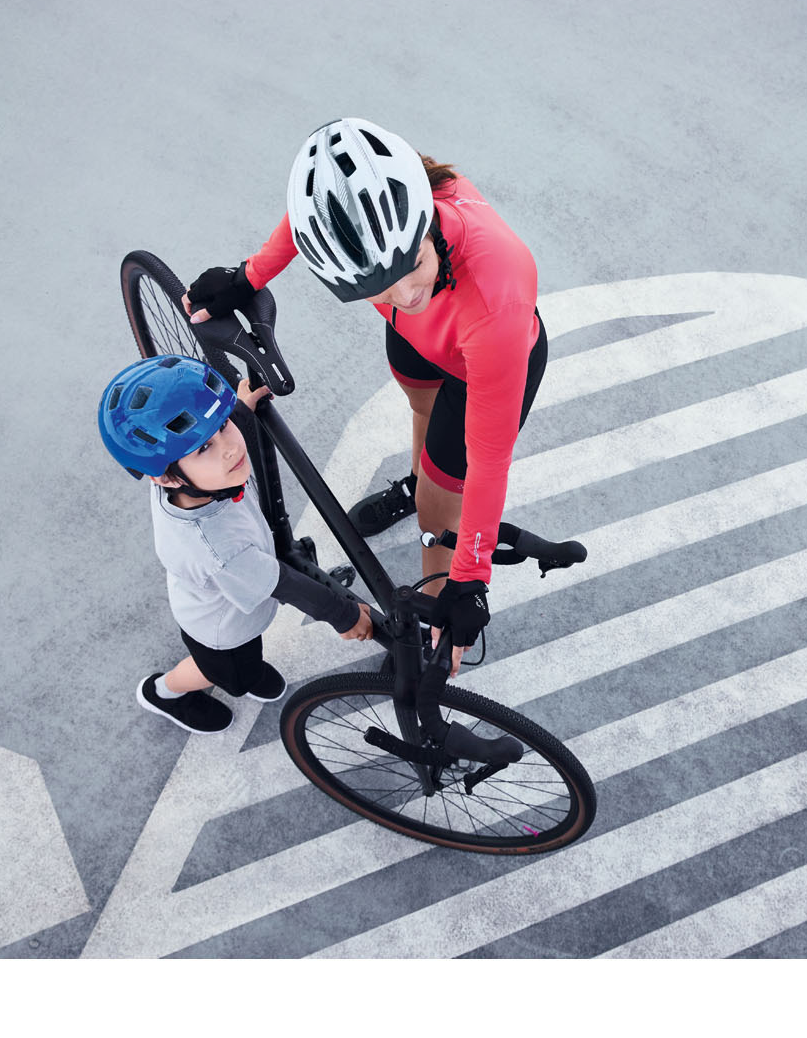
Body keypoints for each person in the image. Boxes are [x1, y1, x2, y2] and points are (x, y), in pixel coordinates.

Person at [185, 117, 546, 674]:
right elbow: (317, 217)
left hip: (485, 356)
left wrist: (470, 580)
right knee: (421, 413)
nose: (408, 292)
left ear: (426, 221)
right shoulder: (378, 225)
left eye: (414, 264)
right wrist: (248, 277)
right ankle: (419, 487)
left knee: (444, 490)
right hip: (422, 340)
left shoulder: (497, 295)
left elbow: (490, 462)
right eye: (379, 286)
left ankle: (435, 626)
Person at [99, 354, 373, 734]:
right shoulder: (217, 549)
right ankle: (164, 691)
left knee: (248, 660)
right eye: (203, 448)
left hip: (220, 601)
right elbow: (283, 583)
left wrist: (238, 412)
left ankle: (247, 669)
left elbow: (210, 444)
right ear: (166, 479)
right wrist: (343, 615)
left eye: (223, 424)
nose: (229, 447)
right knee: (227, 674)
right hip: (220, 632)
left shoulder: (183, 480)